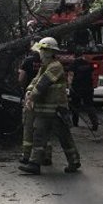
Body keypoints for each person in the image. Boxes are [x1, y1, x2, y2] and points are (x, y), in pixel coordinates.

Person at [19, 37, 81, 175]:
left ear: (48, 51)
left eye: (41, 50)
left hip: (56, 110)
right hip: (44, 111)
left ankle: (74, 161)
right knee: (38, 136)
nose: (39, 53)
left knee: (64, 137)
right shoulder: (44, 67)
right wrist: (29, 92)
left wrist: (31, 97)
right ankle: (34, 164)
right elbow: (35, 82)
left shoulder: (55, 66)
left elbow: (43, 84)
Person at [18, 41, 52, 165]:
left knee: (28, 126)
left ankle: (26, 156)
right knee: (44, 128)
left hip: (30, 98)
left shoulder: (27, 61)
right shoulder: (49, 63)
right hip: (45, 99)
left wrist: (24, 90)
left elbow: (21, 78)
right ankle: (47, 155)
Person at [67, 47, 100, 131]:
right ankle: (94, 123)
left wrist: (69, 85)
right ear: (82, 55)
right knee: (89, 105)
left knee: (75, 106)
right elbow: (92, 74)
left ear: (74, 55)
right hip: (88, 87)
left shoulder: (73, 64)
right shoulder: (88, 63)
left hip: (76, 88)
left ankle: (75, 122)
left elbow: (70, 75)